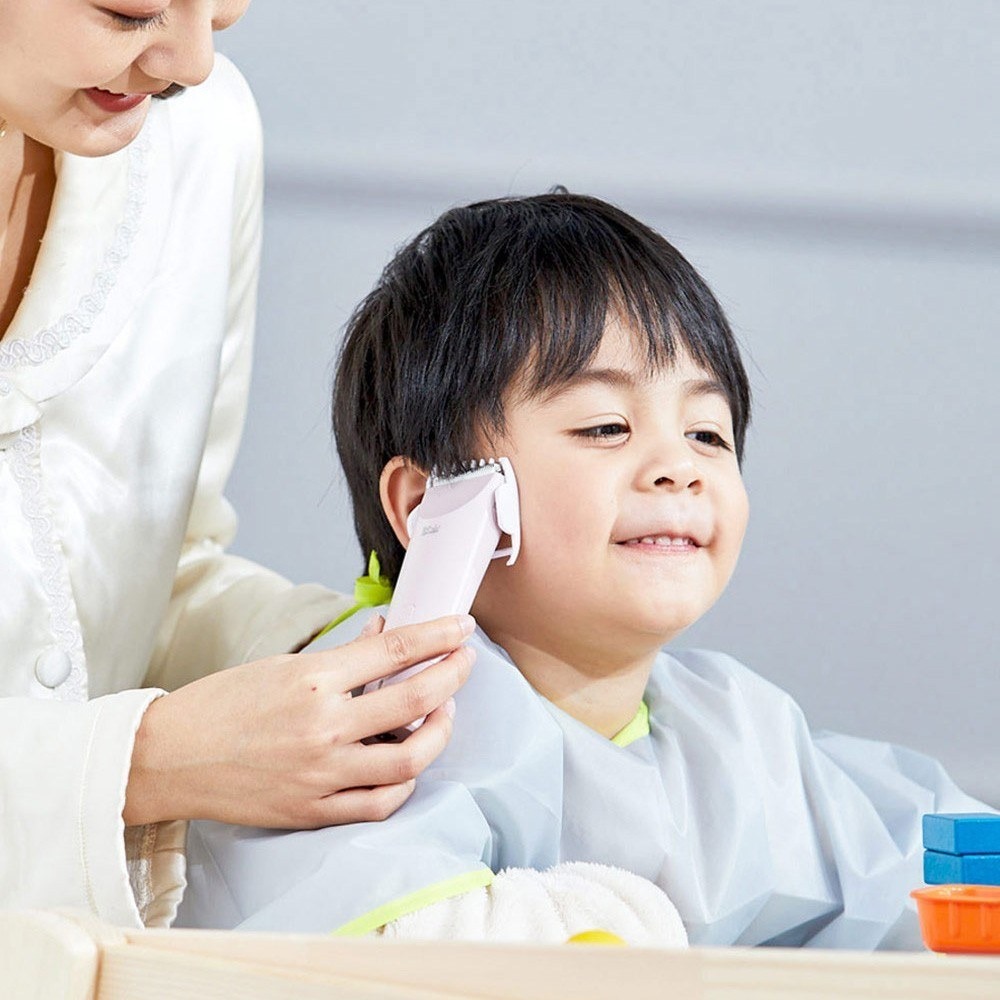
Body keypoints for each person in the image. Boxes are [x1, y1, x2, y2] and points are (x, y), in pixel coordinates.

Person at [177, 192, 991, 948]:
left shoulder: (741, 732)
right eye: (607, 426)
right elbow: (407, 947)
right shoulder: (363, 721)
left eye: (708, 434)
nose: (680, 468)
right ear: (436, 501)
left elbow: (932, 864)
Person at [0, 0, 472, 930]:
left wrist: (353, 650)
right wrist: (146, 762)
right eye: (130, 10)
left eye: (223, 5)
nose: (192, 60)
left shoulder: (196, 140)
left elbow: (152, 581)